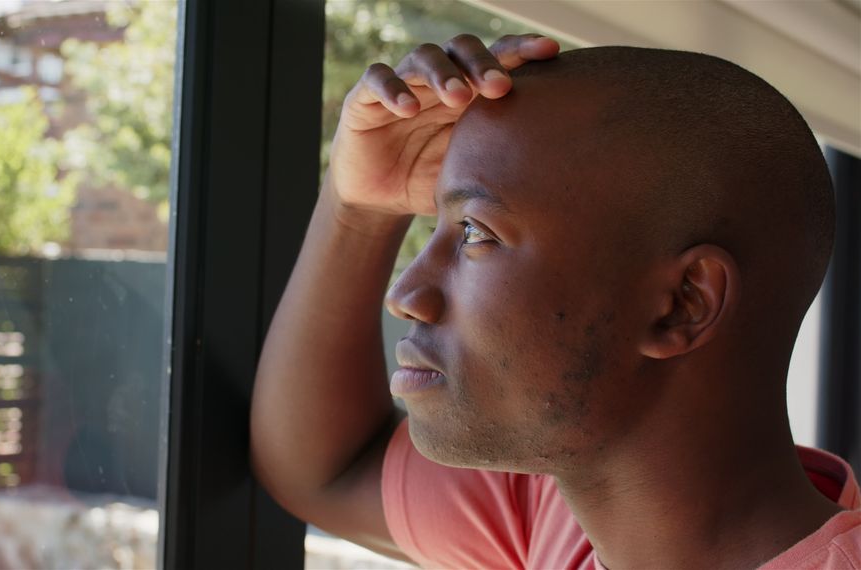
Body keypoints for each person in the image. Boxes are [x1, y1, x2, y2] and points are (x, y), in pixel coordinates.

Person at [250, 33, 860, 569]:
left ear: (682, 302)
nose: (406, 294)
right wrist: (360, 209)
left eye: (474, 235)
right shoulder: (564, 516)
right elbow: (324, 470)